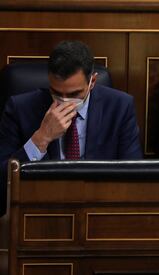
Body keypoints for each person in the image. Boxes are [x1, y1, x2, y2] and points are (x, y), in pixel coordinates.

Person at [0, 40, 143, 216]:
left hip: (100, 212)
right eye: (57, 93)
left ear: (92, 81)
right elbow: (2, 179)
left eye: (74, 94)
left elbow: (135, 176)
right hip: (42, 213)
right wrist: (41, 139)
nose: (65, 101)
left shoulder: (120, 107)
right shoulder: (20, 108)